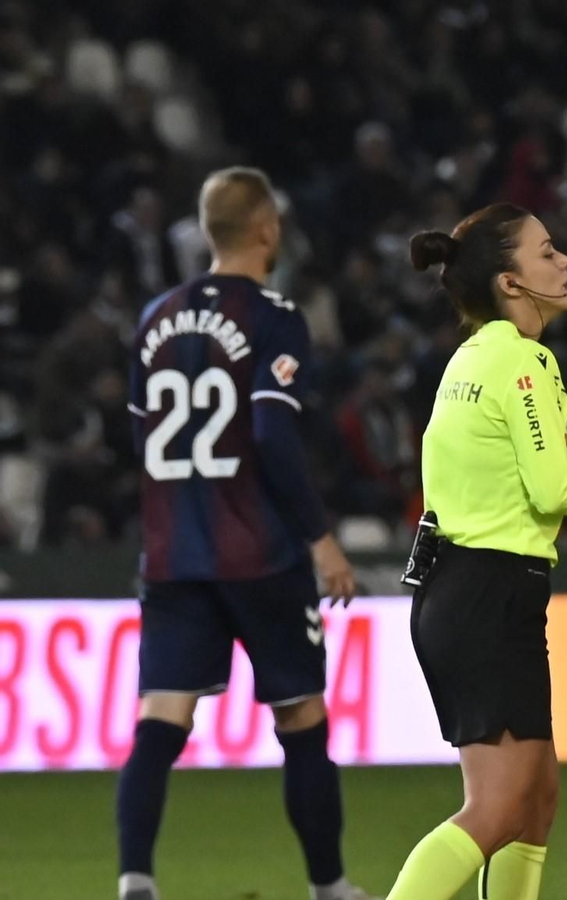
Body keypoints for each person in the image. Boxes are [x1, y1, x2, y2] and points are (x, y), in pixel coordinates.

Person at [117, 167, 369, 900]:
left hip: (171, 556)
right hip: (258, 550)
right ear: (265, 228)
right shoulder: (273, 314)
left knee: (160, 720)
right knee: (300, 718)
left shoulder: (153, 317)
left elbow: (140, 440)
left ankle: (135, 881)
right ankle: (330, 886)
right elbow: (272, 433)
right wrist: (320, 540)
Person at [386, 203, 567, 900]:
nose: (564, 262)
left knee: (534, 797)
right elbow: (556, 490)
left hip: (464, 589)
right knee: (498, 807)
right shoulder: (527, 360)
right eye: (547, 252)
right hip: (488, 596)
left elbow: (514, 477)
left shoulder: (472, 358)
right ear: (510, 283)